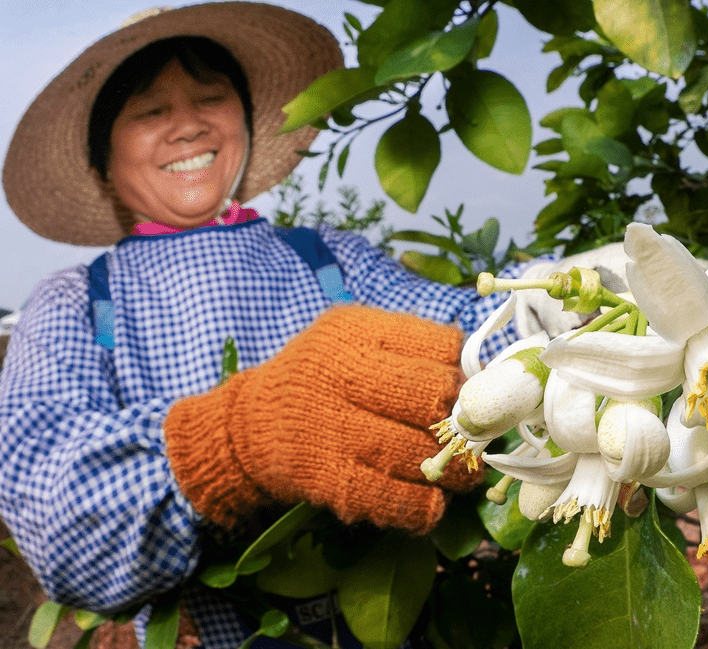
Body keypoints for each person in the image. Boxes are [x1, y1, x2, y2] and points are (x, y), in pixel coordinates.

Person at [0, 4, 628, 648]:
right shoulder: (75, 303)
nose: (187, 126)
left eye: (210, 99)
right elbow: (51, 509)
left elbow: (465, 339)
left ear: (245, 125)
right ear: (104, 158)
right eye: (150, 112)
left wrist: (558, 304)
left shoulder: (329, 256)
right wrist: (234, 439)